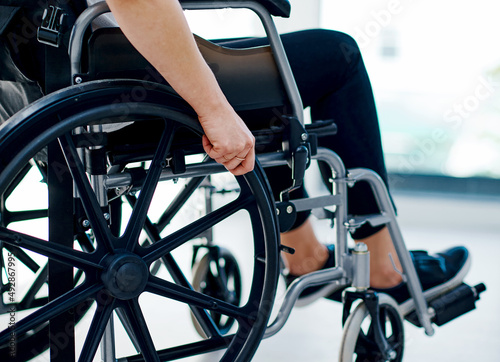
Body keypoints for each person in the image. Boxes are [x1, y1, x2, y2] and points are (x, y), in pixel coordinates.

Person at [0, 0, 468, 302]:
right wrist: (213, 108)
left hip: (43, 81)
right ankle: (386, 271)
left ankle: (304, 254)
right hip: (112, 78)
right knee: (338, 56)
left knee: (265, 82)